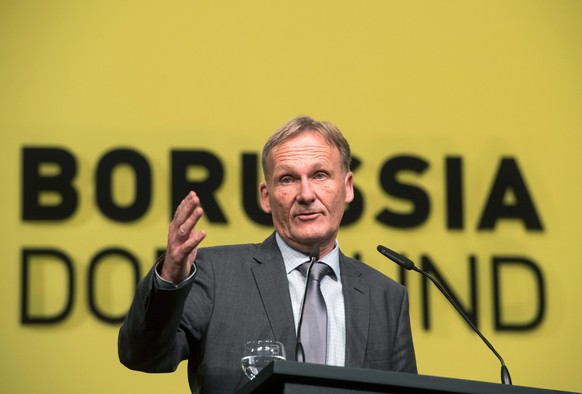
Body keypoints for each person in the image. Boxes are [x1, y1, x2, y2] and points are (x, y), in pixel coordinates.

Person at [118, 116, 417, 393]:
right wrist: (170, 277)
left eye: (320, 175)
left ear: (347, 187)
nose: (306, 194)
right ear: (266, 196)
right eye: (288, 179)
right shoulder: (216, 276)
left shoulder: (386, 297)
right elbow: (143, 355)